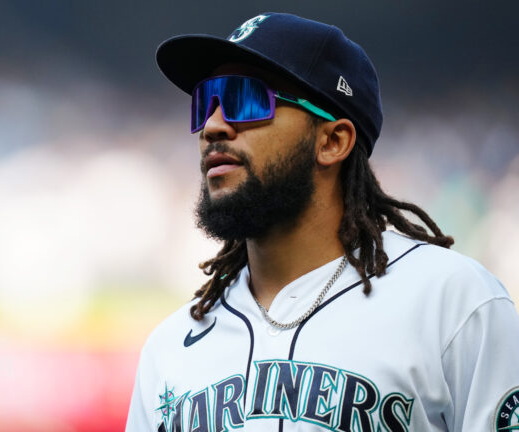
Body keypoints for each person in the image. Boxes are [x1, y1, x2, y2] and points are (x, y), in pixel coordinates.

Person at [125, 12, 519, 432]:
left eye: (244, 98)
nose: (213, 126)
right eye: (207, 101)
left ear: (333, 141)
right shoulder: (169, 350)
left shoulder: (452, 303)